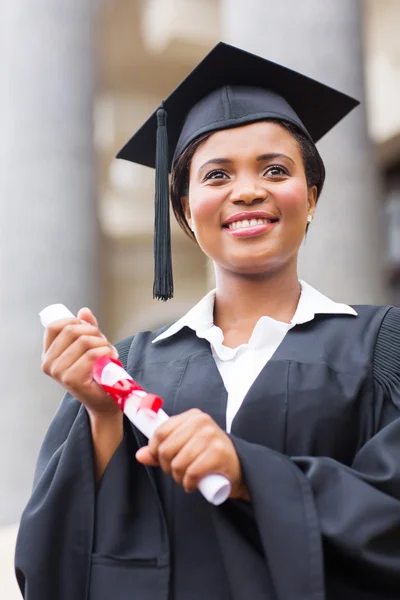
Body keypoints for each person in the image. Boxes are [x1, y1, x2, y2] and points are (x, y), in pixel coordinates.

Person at [15, 42, 400, 600]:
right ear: (185, 210)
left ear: (311, 197)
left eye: (275, 169)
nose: (247, 190)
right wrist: (102, 421)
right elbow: (56, 564)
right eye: (216, 175)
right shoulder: (125, 368)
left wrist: (253, 475)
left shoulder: (381, 345)